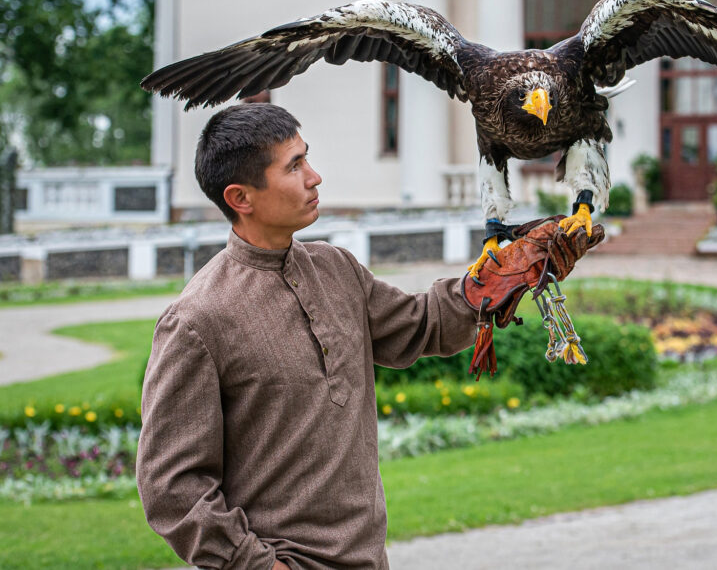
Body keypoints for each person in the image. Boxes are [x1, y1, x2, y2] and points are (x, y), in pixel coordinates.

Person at [136, 103, 600, 569]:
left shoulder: (335, 270)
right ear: (241, 198)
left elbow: (422, 325)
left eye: (307, 158)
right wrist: (258, 566)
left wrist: (499, 282)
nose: (314, 177)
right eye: (294, 166)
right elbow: (173, 488)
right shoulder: (197, 320)